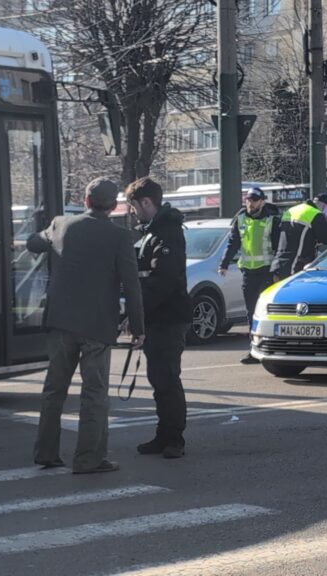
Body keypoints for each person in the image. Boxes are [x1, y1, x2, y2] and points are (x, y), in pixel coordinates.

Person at [29, 178, 145, 475]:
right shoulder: (120, 237)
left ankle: (46, 452)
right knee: (94, 393)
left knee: (54, 389)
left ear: (85, 200)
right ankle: (89, 459)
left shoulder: (60, 224)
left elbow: (33, 243)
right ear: (114, 206)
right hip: (96, 326)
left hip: (60, 321)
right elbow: (132, 285)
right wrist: (138, 327)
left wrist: (49, 236)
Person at [126, 177, 191, 459]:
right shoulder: (154, 232)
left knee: (167, 379)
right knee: (159, 379)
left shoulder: (167, 233)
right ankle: (163, 435)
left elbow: (161, 282)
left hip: (168, 317)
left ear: (146, 202)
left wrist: (137, 315)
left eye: (133, 206)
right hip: (159, 318)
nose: (132, 212)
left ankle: (174, 438)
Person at [218, 187, 281, 364]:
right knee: (251, 312)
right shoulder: (240, 219)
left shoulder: (272, 220)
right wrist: (223, 264)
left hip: (267, 272)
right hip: (248, 272)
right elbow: (233, 244)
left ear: (262, 201)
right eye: (248, 200)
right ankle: (253, 350)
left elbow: (278, 248)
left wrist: (277, 271)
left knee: (268, 313)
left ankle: (272, 348)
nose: (250, 203)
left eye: (254, 200)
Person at [271, 192, 327, 281]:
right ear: (324, 207)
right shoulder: (315, 214)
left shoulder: (292, 210)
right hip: (295, 268)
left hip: (278, 265)